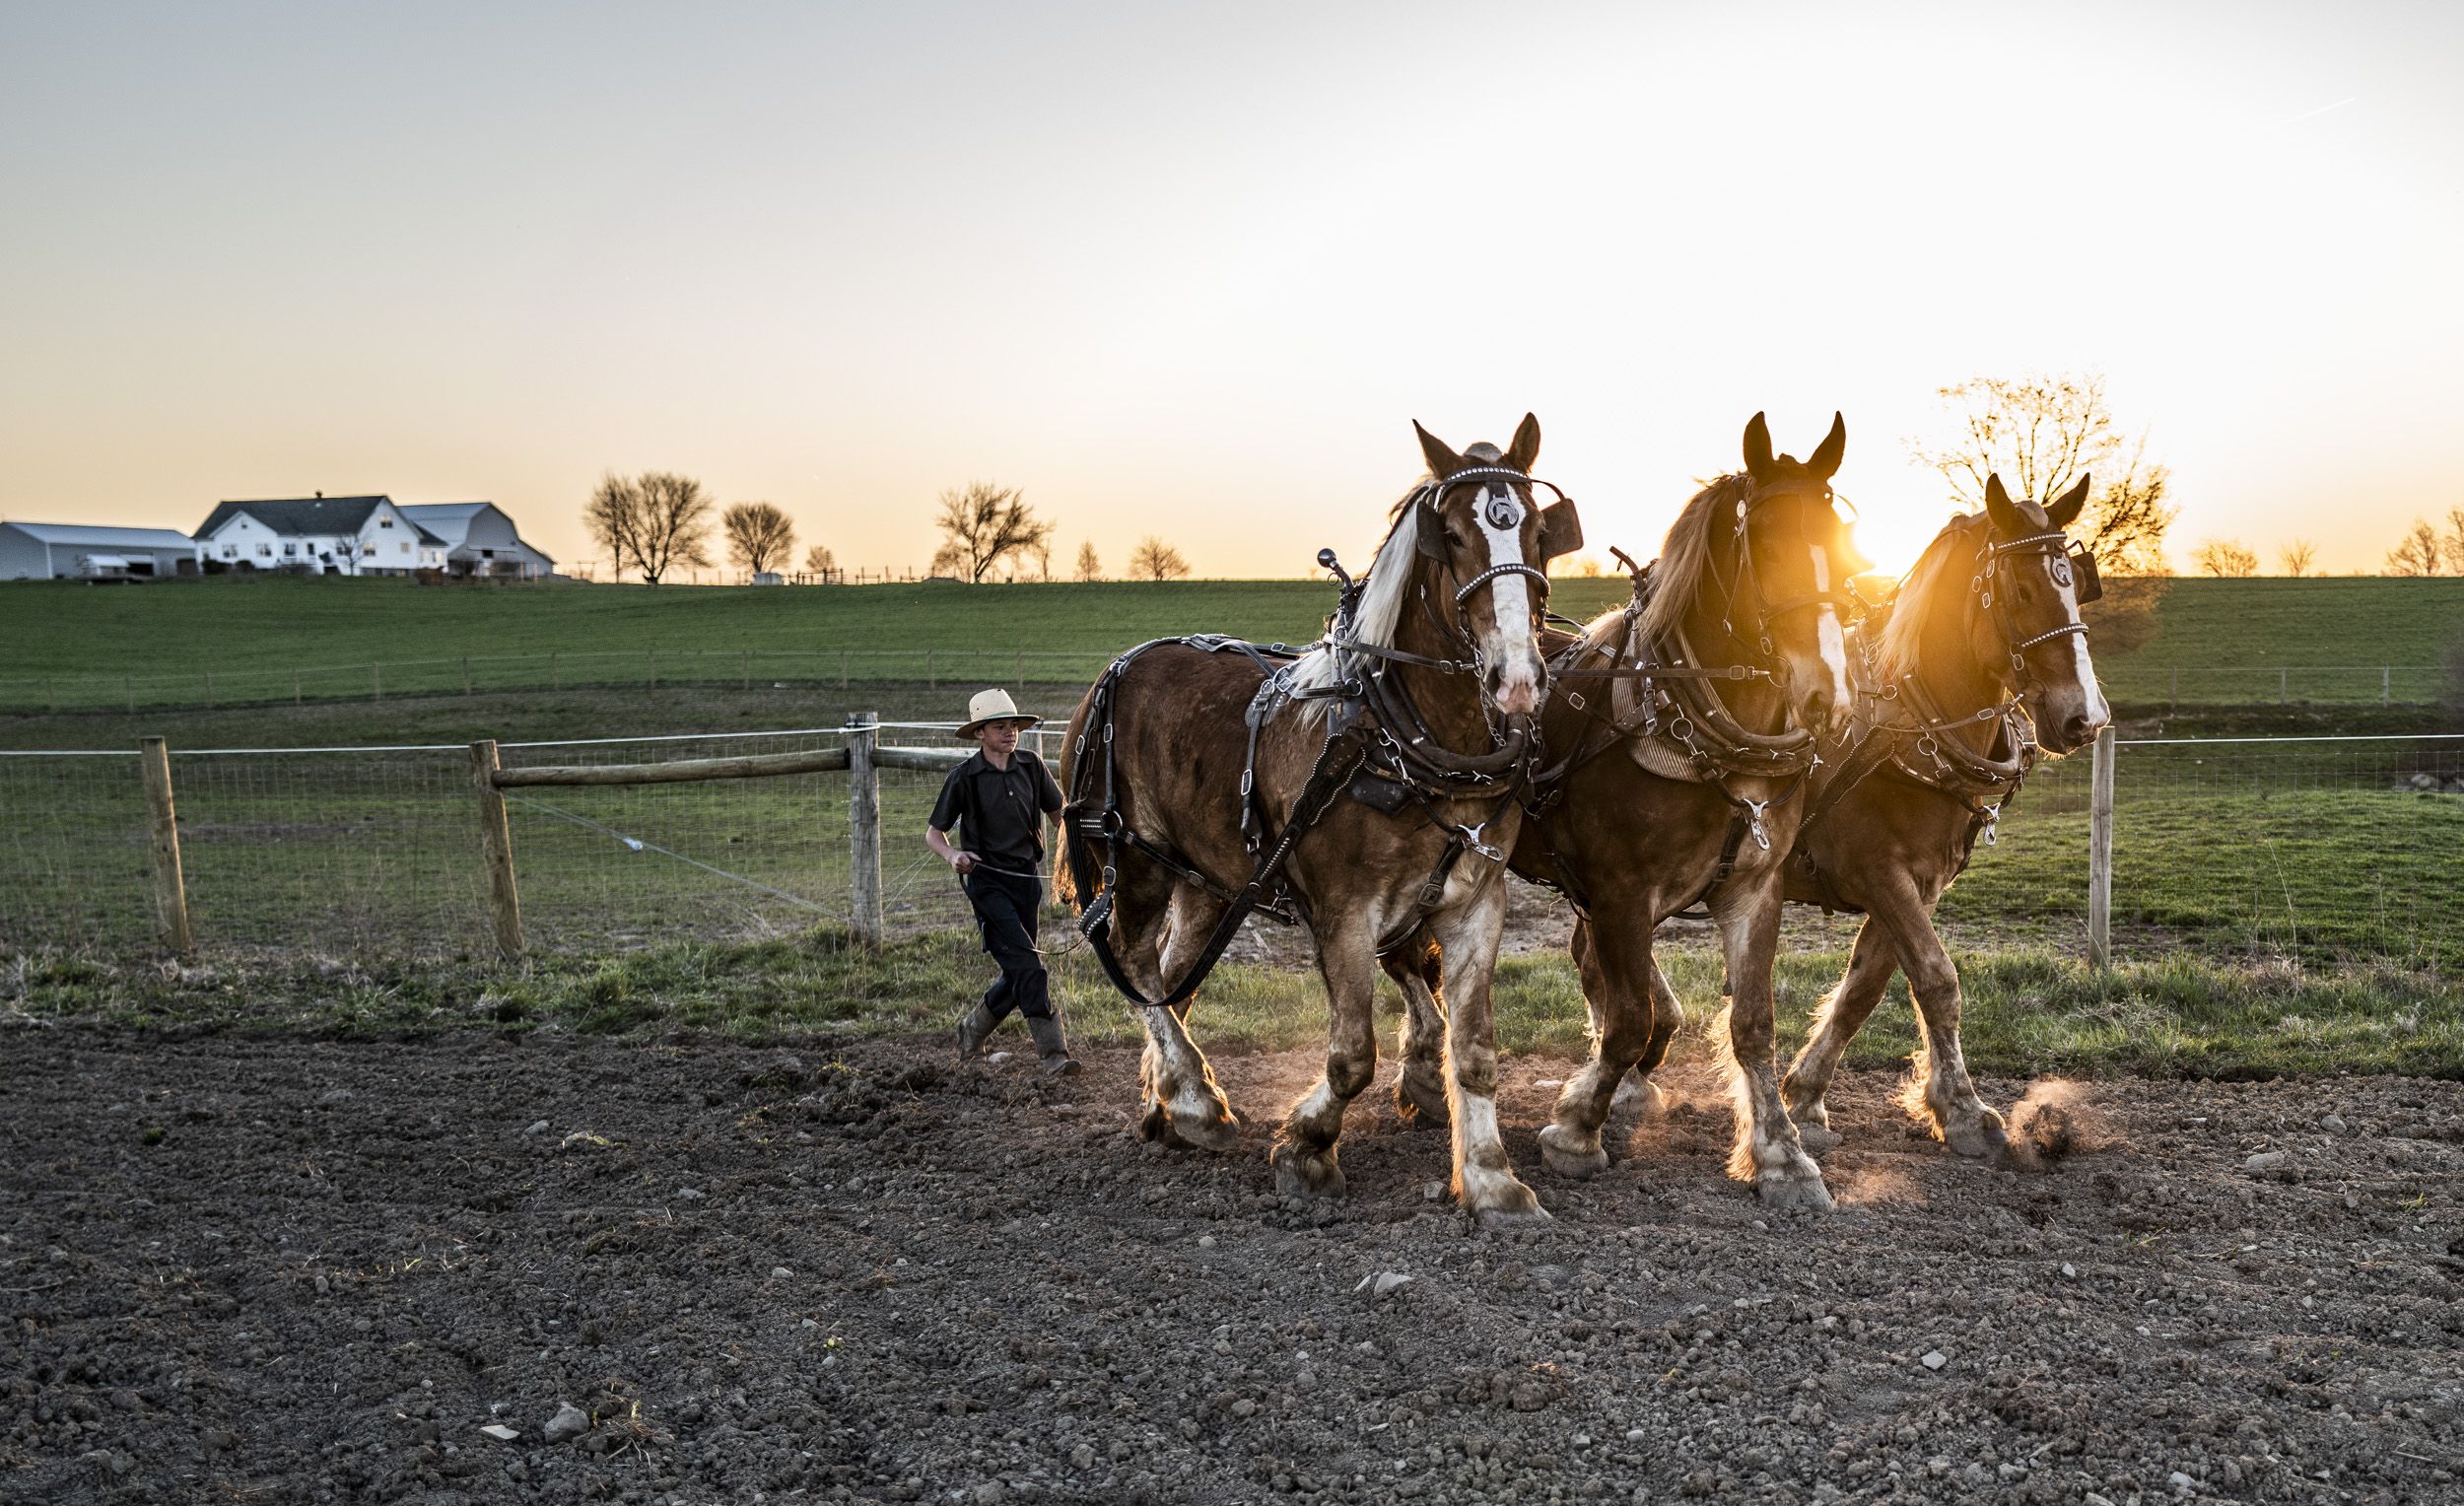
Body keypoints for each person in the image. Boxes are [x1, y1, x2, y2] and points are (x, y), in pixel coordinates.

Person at [926, 688, 1078, 1075]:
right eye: (1000, 727)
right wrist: (953, 856)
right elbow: (934, 833)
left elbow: (1058, 812)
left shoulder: (1031, 765)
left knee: (1018, 971)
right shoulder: (964, 778)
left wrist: (1073, 847)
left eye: (1013, 726)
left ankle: (971, 1031)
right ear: (980, 733)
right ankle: (1053, 1054)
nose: (1010, 733)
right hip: (987, 884)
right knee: (1029, 965)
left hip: (1027, 881)